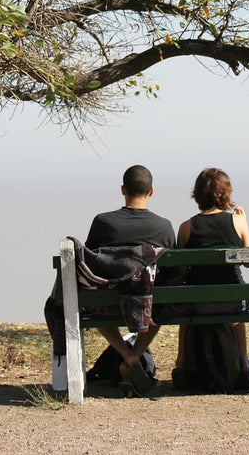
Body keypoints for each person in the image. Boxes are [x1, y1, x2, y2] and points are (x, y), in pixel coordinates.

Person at [84, 164, 176, 395]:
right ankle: (134, 357)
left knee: (93, 304)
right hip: (148, 305)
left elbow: (88, 263)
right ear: (151, 191)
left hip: (106, 306)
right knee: (162, 306)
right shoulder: (163, 227)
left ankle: (126, 356)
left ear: (123, 189)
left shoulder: (103, 222)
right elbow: (174, 271)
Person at [173, 167, 249, 389]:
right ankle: (244, 364)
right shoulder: (237, 222)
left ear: (197, 195)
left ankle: (180, 363)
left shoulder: (186, 227)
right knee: (237, 317)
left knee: (185, 308)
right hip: (232, 303)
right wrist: (244, 222)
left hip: (198, 305)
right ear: (226, 193)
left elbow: (181, 271)